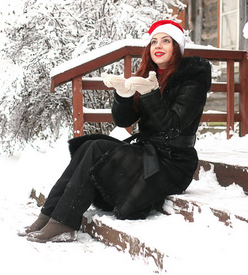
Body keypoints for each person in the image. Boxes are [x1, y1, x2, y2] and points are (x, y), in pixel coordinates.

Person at [21, 20, 212, 243]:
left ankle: (63, 223)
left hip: (173, 164)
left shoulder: (192, 80)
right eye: (154, 41)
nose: (158, 46)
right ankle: (48, 214)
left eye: (166, 41)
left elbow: (172, 126)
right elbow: (123, 120)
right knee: (89, 145)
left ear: (177, 47)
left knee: (98, 148)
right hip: (150, 153)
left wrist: (151, 93)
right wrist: (123, 95)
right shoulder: (151, 75)